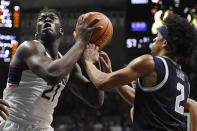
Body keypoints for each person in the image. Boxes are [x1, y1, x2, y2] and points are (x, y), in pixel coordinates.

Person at [82, 14, 197, 130]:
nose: (154, 39)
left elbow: (102, 82)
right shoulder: (184, 79)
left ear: (165, 43)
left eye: (158, 36)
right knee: (134, 111)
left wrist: (88, 62)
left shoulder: (149, 63)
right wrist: (111, 74)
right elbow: (139, 101)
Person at [0, 8, 104, 131]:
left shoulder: (68, 66)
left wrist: (94, 63)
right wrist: (81, 42)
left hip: (43, 127)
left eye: (52, 18)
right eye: (42, 19)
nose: (47, 19)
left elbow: (95, 99)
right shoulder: (29, 47)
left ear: (61, 31)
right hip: (14, 123)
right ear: (36, 33)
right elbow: (52, 74)